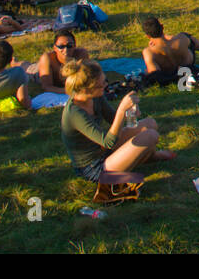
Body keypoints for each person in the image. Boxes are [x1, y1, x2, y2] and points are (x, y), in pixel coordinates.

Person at [60, 59, 174, 190]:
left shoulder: (95, 96)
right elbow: (108, 142)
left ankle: (148, 157)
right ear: (86, 89)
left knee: (149, 124)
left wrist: (129, 113)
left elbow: (113, 118)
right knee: (150, 136)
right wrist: (122, 110)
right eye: (101, 85)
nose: (105, 86)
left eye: (105, 81)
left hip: (104, 150)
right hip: (93, 167)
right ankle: (119, 176)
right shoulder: (75, 113)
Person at [140, 16, 199, 85]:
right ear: (162, 27)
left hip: (168, 73)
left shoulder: (149, 52)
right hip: (187, 65)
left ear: (147, 36)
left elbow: (154, 73)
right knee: (188, 38)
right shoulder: (181, 38)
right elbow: (193, 42)